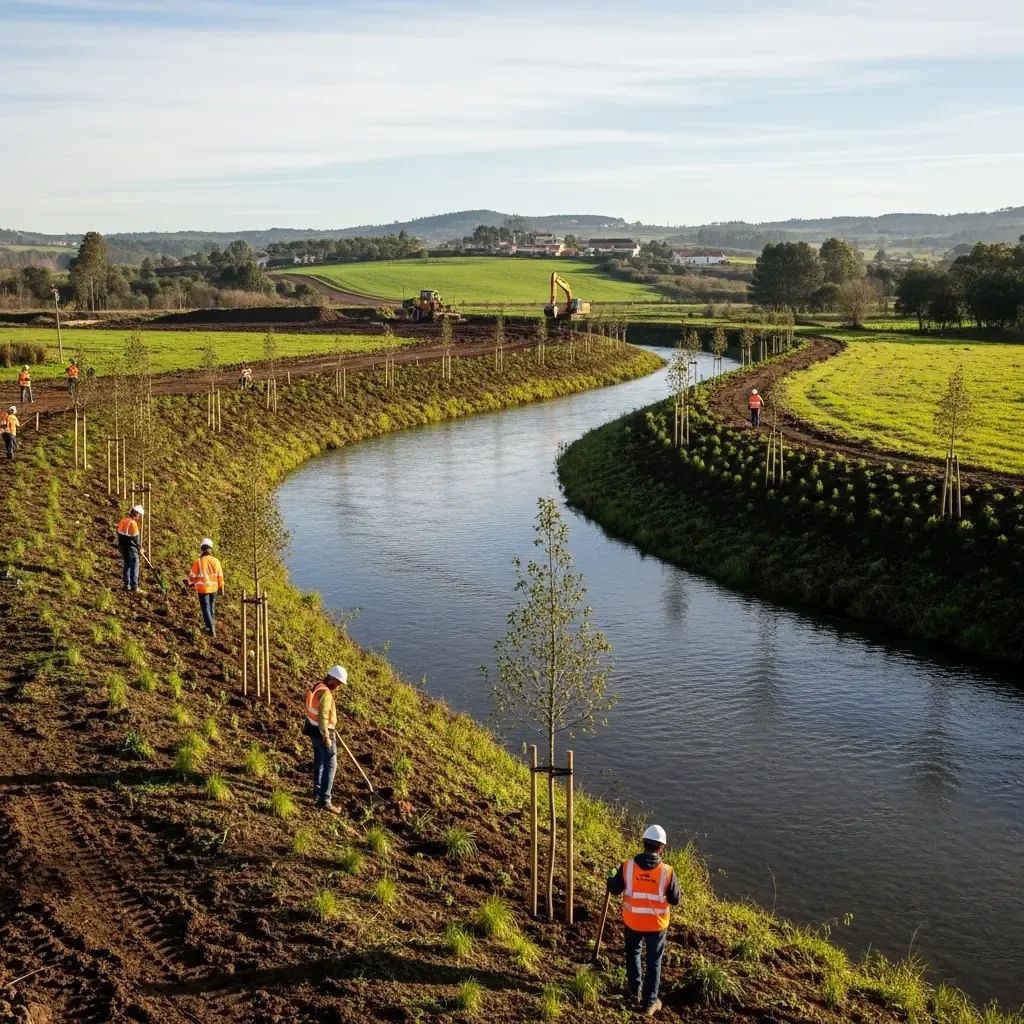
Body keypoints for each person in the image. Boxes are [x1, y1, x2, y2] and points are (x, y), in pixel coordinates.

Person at [607, 824, 681, 1017]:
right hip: (656, 926)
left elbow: (614, 889)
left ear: (643, 843)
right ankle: (649, 1003)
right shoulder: (667, 872)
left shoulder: (627, 866)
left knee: (633, 954)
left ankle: (634, 991)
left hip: (633, 922)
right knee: (654, 962)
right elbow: (675, 899)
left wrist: (610, 877)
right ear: (661, 848)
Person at [304, 665, 347, 813]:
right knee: (331, 764)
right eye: (338, 683)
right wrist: (326, 736)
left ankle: (317, 791)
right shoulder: (326, 694)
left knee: (319, 760)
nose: (338, 686)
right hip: (322, 732)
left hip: (311, 728)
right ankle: (325, 800)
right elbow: (322, 716)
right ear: (332, 679)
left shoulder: (317, 686)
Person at [187, 538, 225, 637]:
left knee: (206, 609)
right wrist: (221, 587)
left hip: (202, 589)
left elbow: (192, 576)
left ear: (202, 549)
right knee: (211, 607)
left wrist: (190, 584)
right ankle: (210, 627)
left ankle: (210, 628)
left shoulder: (198, 562)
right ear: (210, 549)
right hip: (214, 588)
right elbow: (220, 575)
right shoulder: (216, 561)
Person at [116, 504, 145, 591]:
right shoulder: (133, 524)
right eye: (139, 515)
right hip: (131, 547)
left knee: (127, 565)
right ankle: (134, 586)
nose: (139, 517)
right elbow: (136, 538)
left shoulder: (123, 521)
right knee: (135, 565)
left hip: (122, 546)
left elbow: (118, 533)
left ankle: (126, 585)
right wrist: (140, 548)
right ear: (136, 514)